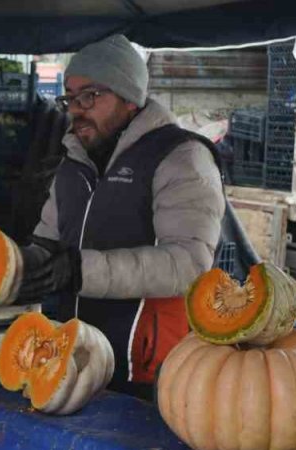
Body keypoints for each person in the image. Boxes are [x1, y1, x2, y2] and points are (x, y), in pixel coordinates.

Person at [16, 35, 224, 399]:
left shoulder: (181, 157)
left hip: (150, 371)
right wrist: (10, 264)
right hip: (71, 363)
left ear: (129, 99)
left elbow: (190, 265)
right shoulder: (72, 160)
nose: (76, 109)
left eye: (90, 96)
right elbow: (46, 241)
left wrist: (80, 270)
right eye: (70, 97)